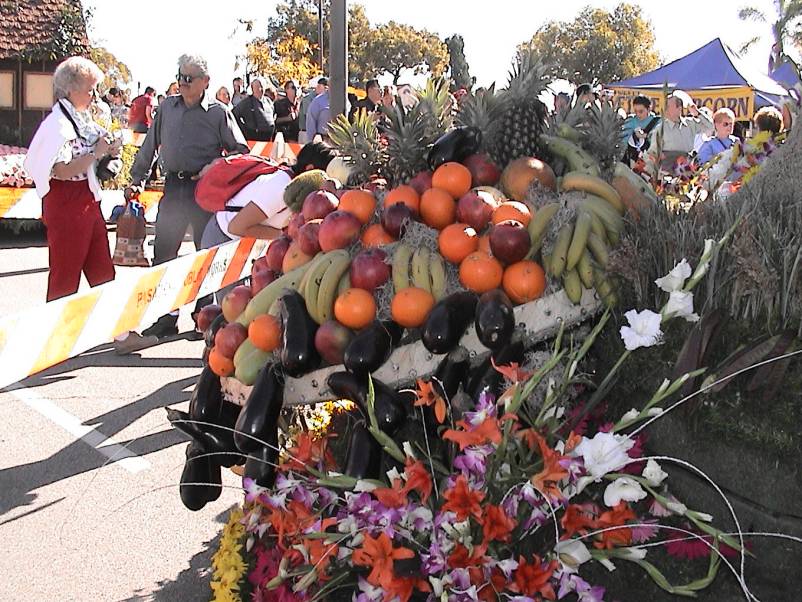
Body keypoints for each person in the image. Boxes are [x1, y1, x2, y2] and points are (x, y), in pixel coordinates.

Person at [122, 54, 250, 349]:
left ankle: (203, 317)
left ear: (205, 82)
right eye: (180, 76)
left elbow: (239, 151)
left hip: (204, 191)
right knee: (164, 254)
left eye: (189, 78)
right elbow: (149, 146)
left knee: (205, 257)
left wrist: (215, 165)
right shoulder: (167, 108)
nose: (183, 82)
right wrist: (136, 179)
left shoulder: (219, 113)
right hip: (173, 188)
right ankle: (165, 317)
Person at [192, 142, 337, 315]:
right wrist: (282, 235)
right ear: (311, 169)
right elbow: (237, 226)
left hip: (242, 245)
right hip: (223, 239)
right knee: (235, 315)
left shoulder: (294, 189)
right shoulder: (281, 188)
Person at [24, 56, 119, 302]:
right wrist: (96, 153)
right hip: (66, 202)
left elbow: (95, 143)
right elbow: (62, 170)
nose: (94, 95)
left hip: (87, 199)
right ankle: (57, 339)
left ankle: (121, 332)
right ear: (71, 89)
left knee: (103, 271)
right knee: (65, 277)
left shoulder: (79, 119)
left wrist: (110, 148)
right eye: (90, 89)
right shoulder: (57, 125)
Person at [646, 92, 713, 169]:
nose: (665, 109)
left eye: (668, 106)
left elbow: (711, 127)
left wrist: (697, 113)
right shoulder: (660, 129)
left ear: (679, 108)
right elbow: (652, 153)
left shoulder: (690, 124)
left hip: (687, 169)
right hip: (667, 170)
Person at [621, 95, 660, 165]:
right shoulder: (630, 121)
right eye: (635, 111)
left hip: (651, 162)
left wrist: (646, 136)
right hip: (632, 162)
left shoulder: (658, 122)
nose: (638, 114)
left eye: (641, 111)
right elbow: (623, 142)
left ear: (648, 109)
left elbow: (660, 140)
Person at [299, 77, 326, 143]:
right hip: (306, 132)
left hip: (318, 135)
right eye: (325, 88)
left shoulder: (325, 99)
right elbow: (308, 115)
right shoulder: (308, 98)